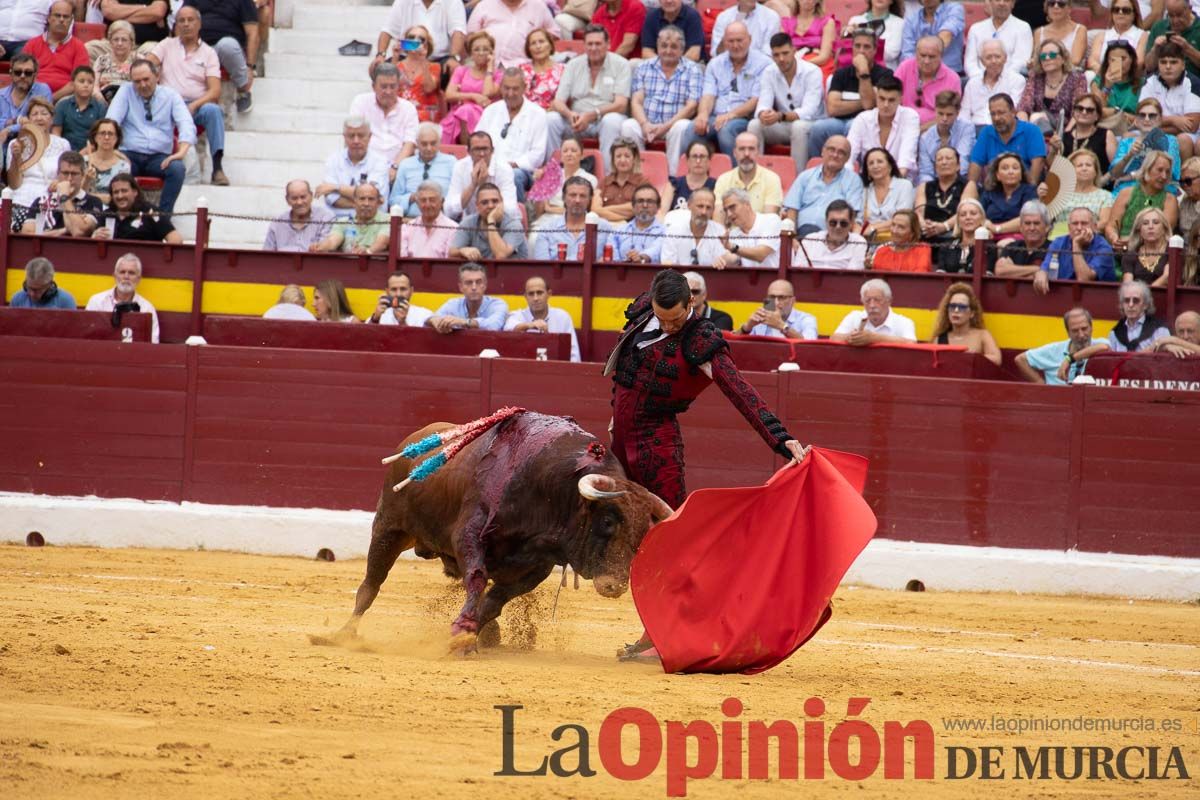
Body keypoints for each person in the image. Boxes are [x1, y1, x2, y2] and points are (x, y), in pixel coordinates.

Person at [608, 269, 808, 663]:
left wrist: (779, 438)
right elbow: (623, 373)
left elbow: (741, 392)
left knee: (670, 541)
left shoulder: (702, 341)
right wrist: (615, 414)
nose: (668, 325)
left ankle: (664, 634)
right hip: (621, 440)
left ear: (693, 304)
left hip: (658, 446)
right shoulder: (643, 312)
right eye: (662, 317)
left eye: (676, 319)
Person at [147, 6, 229, 186]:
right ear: (176, 25)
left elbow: (215, 91)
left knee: (213, 111)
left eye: (190, 20)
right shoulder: (166, 45)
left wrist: (194, 105)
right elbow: (147, 65)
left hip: (195, 106)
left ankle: (217, 168)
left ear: (199, 24)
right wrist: (155, 77)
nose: (186, 24)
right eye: (181, 20)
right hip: (167, 104)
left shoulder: (209, 53)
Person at [104, 59, 194, 214]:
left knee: (177, 169)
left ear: (157, 76)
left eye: (146, 79)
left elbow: (186, 124)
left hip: (159, 158)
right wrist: (113, 151)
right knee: (115, 166)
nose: (142, 85)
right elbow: (111, 122)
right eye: (137, 81)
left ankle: (163, 217)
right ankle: (121, 216)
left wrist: (180, 153)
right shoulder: (126, 91)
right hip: (128, 154)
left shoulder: (171, 95)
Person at [546, 24, 631, 170]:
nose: (593, 48)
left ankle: (607, 176)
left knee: (612, 121)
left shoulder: (621, 64)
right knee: (551, 119)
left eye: (598, 44)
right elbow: (558, 101)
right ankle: (552, 172)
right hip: (576, 120)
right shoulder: (573, 64)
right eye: (589, 44)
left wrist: (592, 115)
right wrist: (570, 114)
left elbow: (621, 104)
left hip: (604, 119)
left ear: (608, 44)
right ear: (584, 45)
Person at [621, 25, 702, 171]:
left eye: (674, 47)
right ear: (657, 47)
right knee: (628, 126)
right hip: (647, 124)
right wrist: (645, 124)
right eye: (664, 46)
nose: (668, 51)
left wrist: (665, 127)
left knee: (682, 126)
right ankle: (640, 173)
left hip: (673, 125)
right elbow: (636, 101)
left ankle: (673, 176)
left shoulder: (693, 69)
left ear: (682, 49)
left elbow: (691, 107)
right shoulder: (643, 67)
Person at [806, 28, 893, 156]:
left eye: (866, 47)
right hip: (839, 121)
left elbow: (868, 105)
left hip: (869, 122)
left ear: (875, 50)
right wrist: (863, 102)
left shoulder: (885, 75)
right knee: (818, 128)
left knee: (853, 126)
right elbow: (833, 108)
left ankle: (851, 169)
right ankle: (816, 167)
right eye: (857, 46)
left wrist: (863, 71)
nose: (861, 51)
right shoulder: (841, 73)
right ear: (852, 48)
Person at [690, 21, 771, 158]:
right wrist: (703, 114)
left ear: (749, 39)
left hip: (744, 117)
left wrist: (730, 115)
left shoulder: (764, 64)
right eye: (730, 41)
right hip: (716, 116)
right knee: (692, 128)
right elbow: (708, 95)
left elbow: (755, 100)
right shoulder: (715, 64)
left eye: (740, 40)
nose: (735, 45)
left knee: (726, 129)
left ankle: (735, 175)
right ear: (724, 42)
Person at [748, 32, 824, 171]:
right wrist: (764, 114)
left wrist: (780, 116)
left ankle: (797, 177)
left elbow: (809, 111)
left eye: (785, 53)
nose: (781, 59)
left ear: (794, 51)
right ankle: (755, 174)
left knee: (799, 127)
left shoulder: (812, 71)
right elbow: (763, 103)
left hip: (812, 125)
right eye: (776, 55)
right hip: (785, 123)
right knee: (754, 125)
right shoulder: (769, 72)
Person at [476, 68, 549, 201]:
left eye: (515, 89)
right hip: (490, 167)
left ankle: (514, 219)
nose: (510, 93)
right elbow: (476, 142)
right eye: (506, 88)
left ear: (524, 88)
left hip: (522, 171)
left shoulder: (538, 114)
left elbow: (537, 155)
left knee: (513, 175)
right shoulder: (491, 111)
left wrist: (509, 166)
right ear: (501, 88)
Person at [183, 0, 257, 114]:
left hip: (228, 47)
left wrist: (250, 66)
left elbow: (252, 33)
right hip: (200, 45)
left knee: (227, 45)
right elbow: (182, 19)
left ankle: (243, 89)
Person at [783, 135, 864, 234]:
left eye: (841, 152)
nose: (835, 155)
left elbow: (852, 214)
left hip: (832, 237)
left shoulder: (853, 181)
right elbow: (792, 209)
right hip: (799, 234)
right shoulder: (805, 176)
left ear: (847, 158)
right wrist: (792, 238)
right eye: (831, 149)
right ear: (823, 151)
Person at [349, 62, 420, 171]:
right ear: (373, 87)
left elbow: (410, 143)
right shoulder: (360, 102)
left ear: (398, 87)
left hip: (398, 168)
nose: (388, 91)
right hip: (365, 166)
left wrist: (395, 167)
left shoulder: (408, 108)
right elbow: (355, 135)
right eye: (383, 87)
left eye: (392, 86)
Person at [6, 96, 70, 215]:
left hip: (50, 200)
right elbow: (13, 184)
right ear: (29, 119)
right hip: (21, 198)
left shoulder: (63, 144)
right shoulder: (15, 144)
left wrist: (59, 181)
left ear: (52, 119)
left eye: (44, 113)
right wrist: (16, 157)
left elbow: (67, 176)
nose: (39, 118)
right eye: (34, 114)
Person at [317, 115, 391, 218]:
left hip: (372, 223)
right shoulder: (333, 160)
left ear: (369, 137)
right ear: (344, 137)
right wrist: (364, 204)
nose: (356, 141)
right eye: (351, 136)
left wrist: (335, 187)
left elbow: (374, 195)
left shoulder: (380, 161)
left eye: (361, 135)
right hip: (337, 222)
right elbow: (331, 198)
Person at [1137, 42, 1200, 162]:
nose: (1168, 66)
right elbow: (1142, 117)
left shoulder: (1193, 83)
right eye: (1163, 62)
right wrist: (1174, 120)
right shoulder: (1150, 82)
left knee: (1182, 140)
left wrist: (1153, 125)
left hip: (1190, 135)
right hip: (1157, 131)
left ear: (1183, 65)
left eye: (1173, 62)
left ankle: (1181, 178)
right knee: (1129, 137)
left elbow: (1191, 127)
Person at [847, 74, 920, 177]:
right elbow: (848, 156)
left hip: (900, 181)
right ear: (876, 96)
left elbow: (906, 159)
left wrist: (890, 185)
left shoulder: (910, 117)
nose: (886, 104)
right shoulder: (863, 119)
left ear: (900, 100)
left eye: (891, 100)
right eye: (882, 98)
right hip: (868, 182)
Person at [1014, 306, 1110, 384]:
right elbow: (1021, 360)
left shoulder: (1098, 344)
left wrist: (1069, 360)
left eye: (1084, 329)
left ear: (1091, 328)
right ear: (1068, 332)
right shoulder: (1054, 350)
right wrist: (1041, 385)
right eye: (1075, 331)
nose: (1081, 335)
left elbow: (1105, 347)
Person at [19, 151, 103, 237]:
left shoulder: (93, 202)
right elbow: (27, 234)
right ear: (58, 173)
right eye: (65, 173)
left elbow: (79, 232)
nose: (69, 178)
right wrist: (63, 231)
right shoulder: (41, 201)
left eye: (74, 174)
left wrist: (64, 197)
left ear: (82, 175)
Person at [968, 93, 1047, 184]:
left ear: (1013, 112)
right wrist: (970, 187)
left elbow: (1038, 163)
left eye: (1001, 113)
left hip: (1024, 188)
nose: (996, 118)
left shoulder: (1032, 130)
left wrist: (1029, 191)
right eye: (993, 114)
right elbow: (975, 163)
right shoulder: (986, 133)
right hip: (994, 190)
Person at [1107, 150, 1179, 247]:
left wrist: (1131, 242)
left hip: (1153, 250)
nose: (1164, 176)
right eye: (1160, 170)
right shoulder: (1126, 193)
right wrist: (1114, 238)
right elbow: (1111, 225)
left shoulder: (1169, 200)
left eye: (1167, 172)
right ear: (1147, 169)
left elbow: (1164, 231)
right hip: (1122, 249)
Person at [1109, 98, 1180, 195]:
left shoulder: (1170, 140)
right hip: (1127, 189)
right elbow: (1114, 174)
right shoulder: (1127, 142)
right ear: (1136, 120)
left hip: (1159, 189)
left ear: (1160, 120)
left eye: (1152, 116)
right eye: (1142, 115)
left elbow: (1171, 172)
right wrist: (1129, 155)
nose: (1146, 119)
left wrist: (1132, 175)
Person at [1038, 207, 1118, 293]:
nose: (1079, 228)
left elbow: (1083, 280)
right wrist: (1041, 273)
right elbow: (1045, 268)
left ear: (1094, 227)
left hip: (1094, 298)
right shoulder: (1058, 243)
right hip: (1062, 297)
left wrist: (1076, 245)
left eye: (1084, 223)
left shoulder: (1104, 248)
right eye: (1075, 223)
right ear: (1069, 227)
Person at [84, 252, 160, 342]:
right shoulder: (96, 302)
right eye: (122, 272)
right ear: (115, 276)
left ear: (139, 279)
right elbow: (87, 337)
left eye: (131, 273)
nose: (126, 276)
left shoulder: (147, 308)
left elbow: (153, 343)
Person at [441, 30, 500, 145]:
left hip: (485, 114)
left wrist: (489, 69)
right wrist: (473, 96)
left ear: (491, 52)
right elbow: (448, 95)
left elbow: (487, 93)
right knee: (463, 111)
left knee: (466, 111)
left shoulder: (498, 75)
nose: (481, 53)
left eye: (485, 49)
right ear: (471, 54)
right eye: (476, 49)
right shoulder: (461, 71)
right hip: (458, 113)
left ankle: (468, 149)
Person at [504, 276, 581, 362]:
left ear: (549, 294)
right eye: (531, 294)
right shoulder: (517, 315)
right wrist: (530, 325)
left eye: (539, 293)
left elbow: (574, 355)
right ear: (525, 296)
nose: (535, 298)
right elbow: (507, 328)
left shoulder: (562, 317)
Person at [444, 130, 518, 220]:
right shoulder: (460, 167)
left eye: (485, 149)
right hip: (469, 223)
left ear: (492, 151)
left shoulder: (504, 169)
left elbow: (511, 209)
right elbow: (448, 210)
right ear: (469, 152)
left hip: (499, 222)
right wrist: (473, 185)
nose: (482, 154)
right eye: (477, 149)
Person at [466, 0, 561, 69]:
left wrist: (535, 43)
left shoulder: (538, 6)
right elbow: (470, 36)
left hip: (525, 67)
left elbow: (554, 32)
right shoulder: (484, 5)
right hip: (485, 66)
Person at [92, 172, 183, 243]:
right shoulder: (107, 214)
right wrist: (94, 236)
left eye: (124, 191)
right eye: (116, 192)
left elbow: (176, 239)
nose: (120, 196)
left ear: (135, 192)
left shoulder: (150, 212)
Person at [389, 122, 456, 218]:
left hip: (443, 220)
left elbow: (457, 197)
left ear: (440, 142)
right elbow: (393, 201)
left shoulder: (451, 163)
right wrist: (412, 198)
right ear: (417, 143)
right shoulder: (406, 164)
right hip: (411, 220)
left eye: (433, 143)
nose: (429, 148)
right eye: (424, 144)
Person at [22, 1, 89, 97]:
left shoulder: (79, 47)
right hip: (33, 96)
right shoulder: (32, 44)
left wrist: (50, 99)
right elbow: (23, 76)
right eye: (57, 15)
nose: (61, 20)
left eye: (66, 17)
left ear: (71, 20)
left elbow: (79, 81)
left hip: (65, 99)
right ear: (49, 18)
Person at [534, 176, 610, 260]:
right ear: (563, 197)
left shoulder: (604, 227)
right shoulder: (547, 230)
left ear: (590, 199)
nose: (577, 200)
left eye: (583, 196)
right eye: (572, 195)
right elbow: (542, 266)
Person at [713, 131, 783, 223]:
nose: (746, 154)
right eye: (742, 149)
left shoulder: (772, 179)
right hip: (730, 236)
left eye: (751, 149)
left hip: (760, 235)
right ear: (734, 153)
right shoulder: (723, 180)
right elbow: (719, 221)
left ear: (758, 151)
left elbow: (768, 222)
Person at [1017, 37, 1088, 126]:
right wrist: (1025, 129)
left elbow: (1078, 112)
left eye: (1052, 55)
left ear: (1063, 58)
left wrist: (1066, 136)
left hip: (1066, 129)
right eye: (1043, 56)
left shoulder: (1078, 78)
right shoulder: (1035, 77)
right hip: (1037, 128)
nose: (1047, 58)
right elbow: (1023, 107)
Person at [378, 25, 442, 124]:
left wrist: (423, 58)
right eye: (411, 38)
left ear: (427, 45)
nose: (415, 41)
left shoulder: (434, 67)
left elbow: (429, 88)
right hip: (400, 115)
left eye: (421, 39)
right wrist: (395, 56)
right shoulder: (396, 65)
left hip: (424, 117)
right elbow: (388, 88)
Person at [449, 182, 528, 260]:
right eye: (484, 202)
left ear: (502, 202)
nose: (490, 206)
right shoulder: (468, 223)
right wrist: (462, 250)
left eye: (495, 201)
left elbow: (500, 255)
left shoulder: (513, 225)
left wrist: (491, 221)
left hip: (509, 271)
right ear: (477, 206)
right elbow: (452, 252)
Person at [895, 36, 959, 130]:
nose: (926, 61)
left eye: (932, 57)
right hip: (901, 127)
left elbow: (950, 115)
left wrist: (919, 131)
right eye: (923, 55)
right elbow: (892, 98)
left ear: (941, 56)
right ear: (916, 54)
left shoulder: (952, 79)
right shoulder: (904, 68)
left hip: (935, 131)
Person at [377, 0, 466, 68]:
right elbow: (387, 30)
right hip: (406, 56)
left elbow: (458, 32)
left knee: (453, 67)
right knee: (379, 67)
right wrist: (381, 55)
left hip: (440, 59)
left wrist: (454, 57)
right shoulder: (402, 1)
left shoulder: (453, 1)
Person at [929, 282, 1002, 365]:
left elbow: (997, 359)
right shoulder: (939, 339)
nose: (956, 310)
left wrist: (966, 358)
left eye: (962, 307)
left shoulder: (982, 335)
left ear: (972, 313)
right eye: (952, 306)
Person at [916, 145, 978, 242]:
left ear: (958, 165)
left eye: (948, 158)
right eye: (939, 159)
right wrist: (924, 225)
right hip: (928, 233)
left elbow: (965, 212)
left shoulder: (968, 185)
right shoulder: (924, 186)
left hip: (955, 234)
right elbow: (919, 212)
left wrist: (944, 226)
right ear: (935, 167)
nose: (944, 162)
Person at [961, 39, 1027, 129]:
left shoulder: (1017, 80)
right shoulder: (972, 83)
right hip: (974, 129)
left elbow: (1012, 110)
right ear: (982, 61)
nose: (993, 61)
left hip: (1002, 128)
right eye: (988, 57)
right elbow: (964, 115)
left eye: (997, 56)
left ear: (1005, 58)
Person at [830, 277, 917, 344]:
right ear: (862, 302)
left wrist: (875, 338)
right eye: (867, 300)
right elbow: (833, 338)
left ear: (889, 301)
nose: (872, 305)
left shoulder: (903, 322)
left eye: (877, 300)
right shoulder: (854, 316)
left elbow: (911, 343)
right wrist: (850, 337)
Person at [964, 0, 1033, 83]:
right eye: (997, 0)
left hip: (1010, 81)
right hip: (979, 81)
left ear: (1013, 4)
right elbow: (970, 63)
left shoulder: (1023, 28)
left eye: (1006, 0)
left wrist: (1000, 80)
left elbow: (1021, 61)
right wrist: (983, 79)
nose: (1001, 3)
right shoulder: (976, 29)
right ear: (990, 2)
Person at [428, 261, 509, 332]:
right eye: (468, 282)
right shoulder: (453, 304)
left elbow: (494, 325)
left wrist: (465, 322)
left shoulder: (498, 304)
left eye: (478, 282)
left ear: (485, 285)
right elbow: (433, 318)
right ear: (460, 287)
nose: (474, 287)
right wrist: (434, 320)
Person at [311, 183, 390, 255]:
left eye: (371, 199)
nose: (366, 203)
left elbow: (382, 243)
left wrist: (367, 252)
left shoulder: (388, 219)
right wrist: (321, 247)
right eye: (362, 199)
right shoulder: (343, 222)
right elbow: (332, 241)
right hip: (348, 267)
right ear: (354, 201)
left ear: (378, 202)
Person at [917, 91, 974, 184]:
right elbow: (925, 172)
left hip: (960, 180)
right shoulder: (925, 138)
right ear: (935, 110)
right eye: (940, 113)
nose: (944, 118)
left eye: (949, 114)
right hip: (935, 184)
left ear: (957, 113)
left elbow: (963, 160)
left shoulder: (966, 128)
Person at [263, 179, 335, 252]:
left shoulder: (325, 218)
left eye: (303, 197)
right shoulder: (277, 224)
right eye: (294, 198)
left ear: (311, 196)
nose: (299, 202)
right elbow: (267, 255)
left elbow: (323, 252)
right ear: (287, 200)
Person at [536, 133, 597, 217]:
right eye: (565, 151)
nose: (569, 154)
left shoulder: (590, 179)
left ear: (582, 155)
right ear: (561, 156)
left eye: (573, 151)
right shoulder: (550, 176)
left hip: (576, 219)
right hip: (548, 218)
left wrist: (550, 209)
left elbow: (584, 209)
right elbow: (540, 210)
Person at [794, 199, 869, 268]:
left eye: (843, 223)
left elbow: (852, 276)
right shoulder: (809, 241)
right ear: (826, 222)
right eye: (833, 223)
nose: (838, 227)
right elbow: (799, 272)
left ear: (851, 224)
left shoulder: (858, 243)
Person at [661, 188, 727, 267]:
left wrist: (720, 262)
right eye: (700, 206)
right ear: (689, 205)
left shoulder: (719, 232)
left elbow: (724, 260)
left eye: (708, 208)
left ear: (713, 210)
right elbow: (667, 263)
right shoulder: (673, 231)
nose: (704, 212)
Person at [861, 147, 915, 241]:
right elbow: (860, 219)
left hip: (897, 241)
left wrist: (873, 228)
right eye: (871, 163)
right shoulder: (865, 190)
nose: (875, 166)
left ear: (890, 166)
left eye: (880, 161)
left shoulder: (904, 185)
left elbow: (903, 218)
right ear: (868, 171)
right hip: (868, 242)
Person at [718, 188, 781, 268]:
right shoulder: (733, 233)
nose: (729, 214)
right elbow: (733, 257)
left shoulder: (771, 220)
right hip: (748, 279)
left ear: (747, 204)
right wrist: (722, 260)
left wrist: (732, 247)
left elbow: (761, 255)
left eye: (732, 207)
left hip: (775, 278)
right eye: (726, 210)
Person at [900, 0, 965, 77]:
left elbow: (946, 35)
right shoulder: (911, 19)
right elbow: (907, 53)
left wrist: (925, 58)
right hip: (919, 74)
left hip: (951, 73)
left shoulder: (954, 9)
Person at [980, 152, 1039, 236]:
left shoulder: (1030, 191)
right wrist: (986, 226)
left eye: (1015, 168)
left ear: (1021, 174)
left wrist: (997, 228)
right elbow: (978, 215)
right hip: (990, 235)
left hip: (1019, 238)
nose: (1010, 172)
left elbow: (1028, 218)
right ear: (998, 175)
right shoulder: (989, 192)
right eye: (1005, 168)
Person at [1057, 95, 1114, 179]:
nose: (1084, 112)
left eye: (1090, 110)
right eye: (1080, 108)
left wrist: (1100, 183)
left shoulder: (1106, 135)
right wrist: (1053, 150)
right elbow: (1054, 167)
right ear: (1073, 112)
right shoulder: (1064, 137)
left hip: (1098, 186)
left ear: (1097, 116)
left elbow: (1115, 168)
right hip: (1068, 186)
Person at [51, 66, 107, 152]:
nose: (86, 85)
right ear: (73, 84)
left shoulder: (100, 106)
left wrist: (85, 152)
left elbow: (101, 135)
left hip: (91, 151)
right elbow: (56, 133)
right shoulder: (62, 104)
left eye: (90, 82)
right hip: (65, 151)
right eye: (81, 81)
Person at [738, 278, 817, 339]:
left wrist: (781, 326)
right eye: (771, 297)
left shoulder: (806, 319)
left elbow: (811, 346)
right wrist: (746, 328)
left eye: (782, 297)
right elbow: (732, 345)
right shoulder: (759, 319)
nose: (776, 302)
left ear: (793, 301)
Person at [994, 199, 1053, 279]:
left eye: (1036, 223)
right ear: (1021, 228)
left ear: (1046, 227)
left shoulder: (1054, 248)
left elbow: (1052, 273)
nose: (1032, 228)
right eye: (1027, 223)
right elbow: (1000, 271)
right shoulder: (1012, 247)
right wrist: (1038, 269)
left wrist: (1013, 270)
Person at [1143, 0, 1200, 82]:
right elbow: (1148, 67)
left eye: (1179, 15)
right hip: (1161, 81)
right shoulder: (1159, 27)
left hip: (1194, 82)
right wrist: (1155, 49)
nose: (1175, 20)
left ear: (1189, 9)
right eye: (1171, 16)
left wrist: (1187, 49)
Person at [1, 53, 52, 142]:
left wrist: (9, 128)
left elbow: (39, 122)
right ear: (11, 74)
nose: (22, 76)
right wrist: (16, 120)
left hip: (33, 143)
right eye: (18, 72)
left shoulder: (42, 91)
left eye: (28, 73)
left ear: (35, 75)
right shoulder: (1, 95)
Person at [778, 0, 837, 77]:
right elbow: (781, 50)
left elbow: (824, 57)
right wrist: (794, 64)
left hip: (818, 64)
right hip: (791, 63)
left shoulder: (827, 22)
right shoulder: (785, 22)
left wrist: (800, 64)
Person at [593, 137, 646, 223]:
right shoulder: (604, 182)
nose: (622, 160)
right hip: (606, 228)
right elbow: (595, 209)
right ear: (613, 160)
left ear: (634, 159)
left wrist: (604, 210)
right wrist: (622, 220)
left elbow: (637, 208)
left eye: (627, 156)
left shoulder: (643, 182)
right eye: (618, 156)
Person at [399, 181, 456, 259]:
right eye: (423, 200)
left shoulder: (453, 228)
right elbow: (402, 259)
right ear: (417, 203)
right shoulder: (408, 227)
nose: (427, 205)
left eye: (432, 200)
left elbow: (449, 263)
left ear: (442, 201)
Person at [1109, 279, 1170, 351]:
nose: (1130, 305)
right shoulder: (1115, 332)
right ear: (1122, 305)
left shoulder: (1159, 329)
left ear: (1145, 305)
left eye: (1136, 300)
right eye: (1126, 300)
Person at [1087, 1, 1147, 75]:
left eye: (1126, 10)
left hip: (1129, 78)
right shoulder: (1101, 35)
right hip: (1102, 75)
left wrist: (1117, 73)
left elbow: (1139, 62)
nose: (1120, 13)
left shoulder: (1142, 35)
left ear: (1134, 14)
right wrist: (1105, 73)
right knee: (1089, 75)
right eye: (1116, 10)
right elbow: (1093, 60)